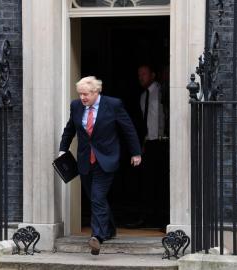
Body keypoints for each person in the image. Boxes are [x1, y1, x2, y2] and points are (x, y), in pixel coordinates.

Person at [59, 76, 142, 255]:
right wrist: (62, 150)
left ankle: (97, 236)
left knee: (97, 197)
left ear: (97, 92)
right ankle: (110, 229)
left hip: (106, 159)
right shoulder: (76, 106)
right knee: (96, 198)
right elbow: (70, 129)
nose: (82, 98)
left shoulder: (113, 105)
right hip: (84, 161)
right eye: (80, 94)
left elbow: (128, 128)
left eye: (86, 94)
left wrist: (136, 152)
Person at [126, 64, 168, 228]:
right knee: (148, 181)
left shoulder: (162, 91)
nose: (141, 77)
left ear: (153, 74)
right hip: (149, 143)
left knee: (161, 181)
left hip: (162, 141)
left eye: (144, 74)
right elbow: (144, 123)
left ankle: (162, 217)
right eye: (139, 75)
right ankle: (148, 216)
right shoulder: (143, 96)